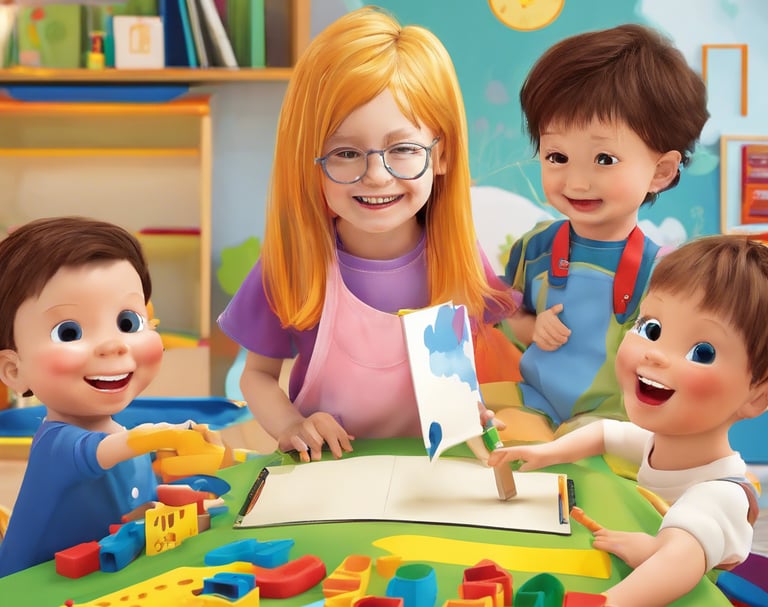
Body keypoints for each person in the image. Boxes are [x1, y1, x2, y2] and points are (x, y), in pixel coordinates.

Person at [217, 6, 520, 462]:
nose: (376, 176)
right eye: (344, 153)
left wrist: (470, 412)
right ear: (309, 162)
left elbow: (465, 371)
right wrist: (292, 427)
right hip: (326, 471)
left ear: (442, 155)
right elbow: (255, 375)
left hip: (430, 474)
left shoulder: (455, 257)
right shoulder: (295, 261)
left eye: (402, 149)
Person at [489, 235, 768, 607]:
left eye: (702, 352)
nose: (655, 355)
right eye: (651, 329)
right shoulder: (663, 444)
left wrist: (612, 595)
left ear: (756, 396)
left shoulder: (721, 494)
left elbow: (680, 561)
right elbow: (607, 434)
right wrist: (547, 453)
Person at [492, 23, 710, 441]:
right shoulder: (534, 248)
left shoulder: (664, 273)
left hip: (614, 426)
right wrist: (530, 329)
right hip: (531, 401)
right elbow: (508, 312)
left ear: (661, 172)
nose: (576, 182)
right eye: (557, 156)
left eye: (604, 159)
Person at [0, 216, 222, 577]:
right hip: (26, 589)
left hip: (100, 579)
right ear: (14, 370)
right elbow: (98, 452)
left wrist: (192, 484)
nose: (113, 345)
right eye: (69, 332)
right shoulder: (56, 446)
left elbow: (138, 506)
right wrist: (165, 434)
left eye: (128, 323)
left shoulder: (126, 441)